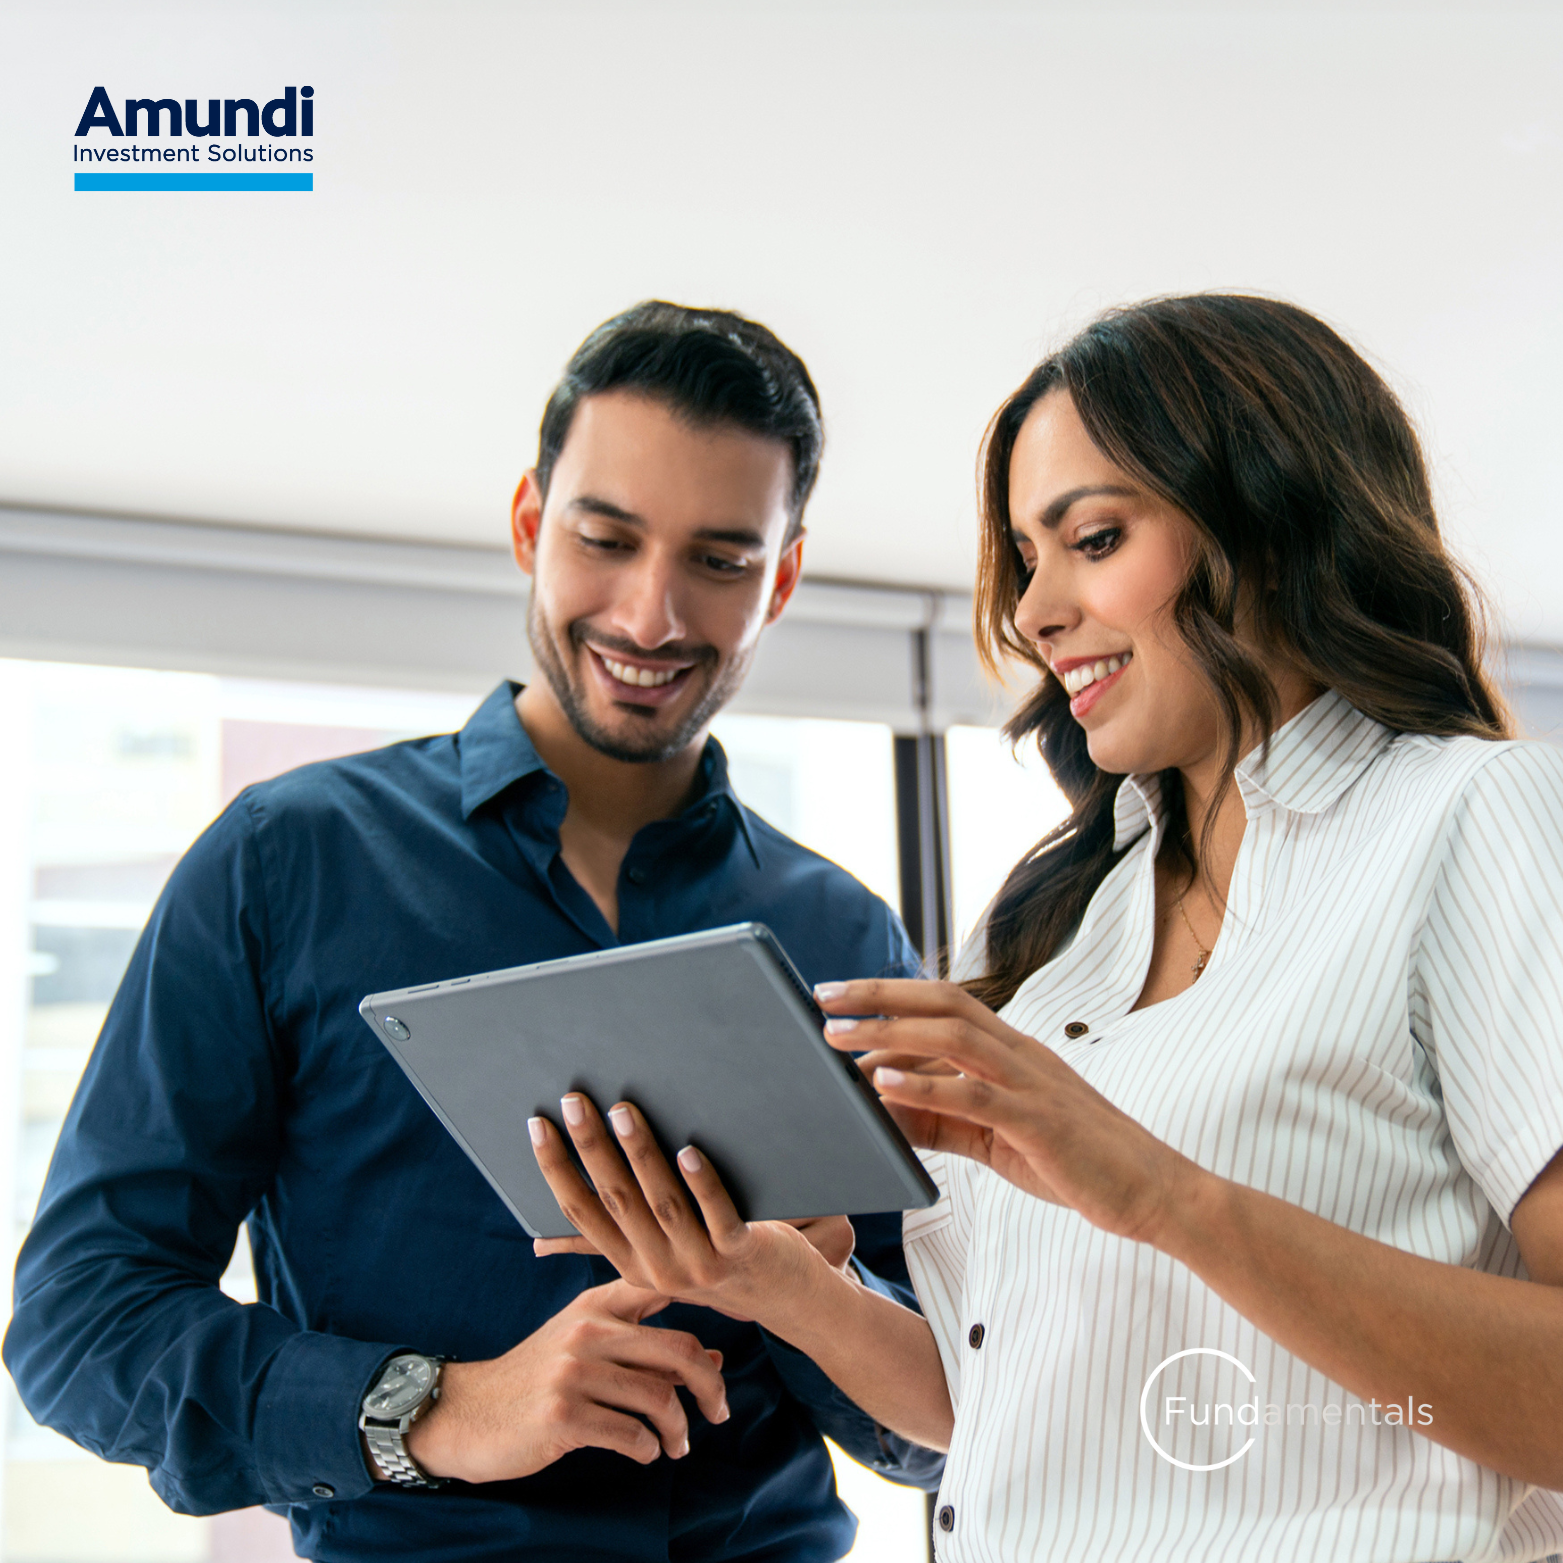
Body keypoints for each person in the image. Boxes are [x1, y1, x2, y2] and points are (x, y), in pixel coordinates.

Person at [526, 295, 1563, 1563]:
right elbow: (1014, 1413)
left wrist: (1163, 1196)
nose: (1033, 611)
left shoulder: (1473, 816)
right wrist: (781, 1287)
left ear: (1274, 523)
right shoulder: (1069, 926)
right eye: (1027, 558)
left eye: (1095, 538)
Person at [3, 301, 942, 1563]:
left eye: (719, 561)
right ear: (527, 525)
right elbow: (80, 1320)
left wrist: (811, 1292)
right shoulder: (288, 862)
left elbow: (945, 1421)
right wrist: (441, 1409)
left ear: (779, 579)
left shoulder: (842, 931)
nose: (652, 615)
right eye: (605, 538)